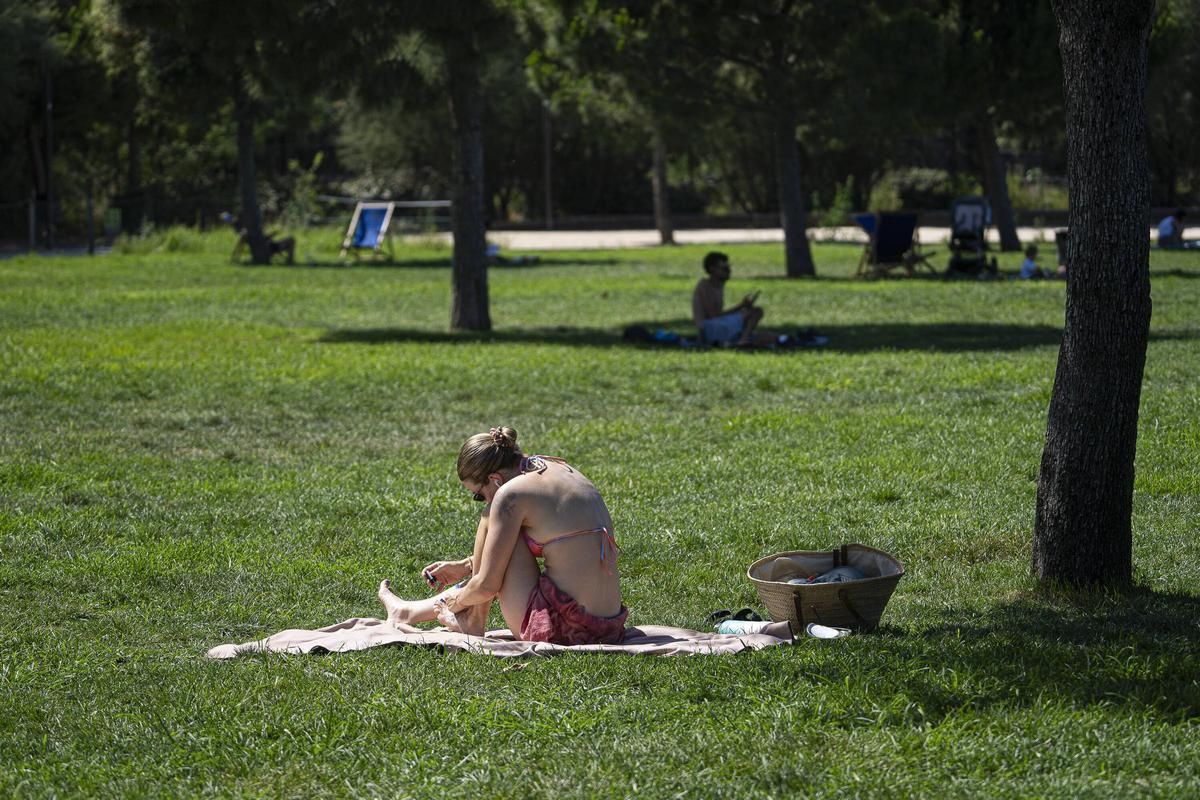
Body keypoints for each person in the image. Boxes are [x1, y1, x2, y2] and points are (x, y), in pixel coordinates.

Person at [377, 427, 628, 645]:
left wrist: (455, 601)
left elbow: (487, 586)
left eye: (478, 493)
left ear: (495, 478)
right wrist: (467, 565)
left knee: (491, 515)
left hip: (563, 631)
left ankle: (472, 623)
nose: (481, 499)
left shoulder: (510, 494)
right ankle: (407, 613)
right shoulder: (556, 468)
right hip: (608, 627)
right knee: (503, 525)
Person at [692, 251, 764, 346]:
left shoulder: (719, 286)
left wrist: (743, 307)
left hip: (715, 325)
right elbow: (713, 315)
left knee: (754, 314)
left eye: (729, 268)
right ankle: (743, 340)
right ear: (712, 269)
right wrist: (740, 306)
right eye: (724, 269)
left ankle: (742, 339)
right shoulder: (704, 285)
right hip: (708, 328)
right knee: (755, 312)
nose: (728, 271)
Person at [221, 212, 296, 265]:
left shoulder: (248, 232)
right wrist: (273, 234)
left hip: (271, 245)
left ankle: (289, 261)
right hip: (270, 248)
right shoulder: (247, 233)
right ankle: (290, 261)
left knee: (290, 239)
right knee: (291, 240)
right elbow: (262, 240)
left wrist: (273, 234)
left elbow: (239, 246)